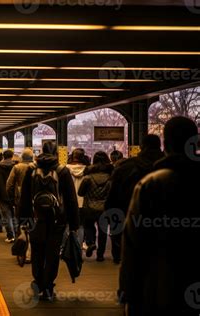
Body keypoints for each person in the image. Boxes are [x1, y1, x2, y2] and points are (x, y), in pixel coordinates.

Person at [119, 117, 200, 315]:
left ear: (166, 143)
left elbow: (132, 240)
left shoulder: (152, 183)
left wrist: (127, 291)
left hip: (159, 283)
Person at [19, 141, 79, 300]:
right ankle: (48, 286)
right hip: (57, 220)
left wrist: (23, 220)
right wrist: (74, 224)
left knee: (37, 251)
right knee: (52, 253)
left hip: (35, 218)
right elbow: (71, 199)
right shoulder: (62, 171)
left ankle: (38, 282)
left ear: (41, 152)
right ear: (56, 153)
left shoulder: (31, 170)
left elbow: (24, 197)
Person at [105, 134, 164, 263]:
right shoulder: (174, 167)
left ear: (141, 147)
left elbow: (113, 197)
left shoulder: (124, 167)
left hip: (131, 220)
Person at [78, 151, 114, 262]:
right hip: (104, 208)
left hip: (89, 207)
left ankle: (91, 242)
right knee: (103, 231)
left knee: (88, 226)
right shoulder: (110, 177)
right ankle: (100, 255)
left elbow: (80, 193)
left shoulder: (88, 177)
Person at [0, 150, 16, 243]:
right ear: (12, 156)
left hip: (2, 196)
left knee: (6, 216)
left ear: (3, 157)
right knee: (14, 215)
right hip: (13, 195)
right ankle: (16, 234)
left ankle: (11, 235)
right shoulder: (15, 167)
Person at [65, 148, 88, 247]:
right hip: (83, 202)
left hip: (68, 201)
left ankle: (66, 246)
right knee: (81, 225)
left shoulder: (65, 169)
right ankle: (79, 245)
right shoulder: (87, 169)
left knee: (67, 225)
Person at [7, 148, 34, 222]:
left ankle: (17, 229)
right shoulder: (36, 166)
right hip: (33, 195)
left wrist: (11, 197)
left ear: (22, 157)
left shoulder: (17, 167)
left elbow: (9, 184)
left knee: (18, 214)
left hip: (19, 195)